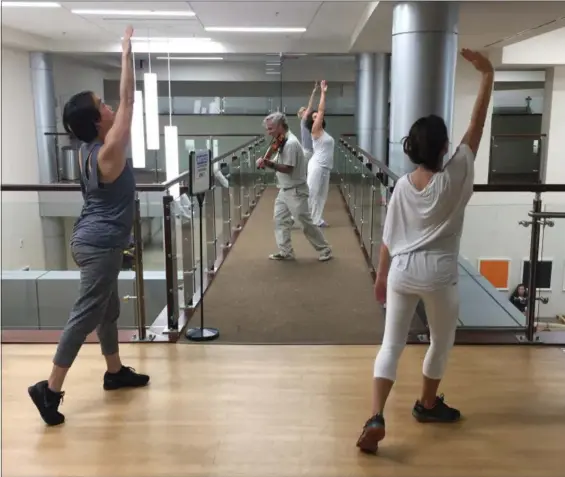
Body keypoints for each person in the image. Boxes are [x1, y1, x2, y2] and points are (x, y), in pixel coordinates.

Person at [356, 49, 494, 454]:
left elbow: (388, 236)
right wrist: (487, 75)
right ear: (443, 148)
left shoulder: (401, 186)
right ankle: (427, 404)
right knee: (439, 340)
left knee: (391, 345)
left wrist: (381, 278)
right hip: (439, 274)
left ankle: (376, 415)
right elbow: (477, 125)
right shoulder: (455, 177)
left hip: (401, 271)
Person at [28, 26, 149, 427]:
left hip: (93, 239)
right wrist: (126, 52)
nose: (111, 107)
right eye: (104, 105)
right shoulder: (109, 152)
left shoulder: (86, 151)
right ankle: (50, 389)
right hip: (99, 244)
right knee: (86, 314)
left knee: (107, 309)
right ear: (98, 122)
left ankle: (114, 372)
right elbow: (130, 99)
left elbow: (122, 105)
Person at [257, 112, 332, 262]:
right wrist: (266, 159)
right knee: (280, 220)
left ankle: (325, 249)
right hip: (284, 190)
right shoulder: (281, 139)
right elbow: (275, 151)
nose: (268, 132)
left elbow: (288, 168)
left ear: (280, 126)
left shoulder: (290, 143)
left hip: (295, 191)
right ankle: (286, 251)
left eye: (271, 128)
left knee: (305, 223)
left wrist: (268, 163)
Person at [305, 80, 334, 227]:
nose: (318, 117)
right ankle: (296, 217)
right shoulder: (315, 131)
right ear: (313, 121)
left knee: (321, 195)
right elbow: (321, 110)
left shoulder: (324, 132)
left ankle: (316, 219)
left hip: (325, 167)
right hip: (317, 166)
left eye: (318, 116)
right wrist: (323, 92)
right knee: (311, 193)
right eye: (315, 117)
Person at [297, 81, 319, 165]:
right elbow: (310, 105)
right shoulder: (303, 121)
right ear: (302, 114)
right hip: (307, 151)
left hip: (311, 150)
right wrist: (314, 91)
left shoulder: (307, 122)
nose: (307, 111)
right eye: (304, 111)